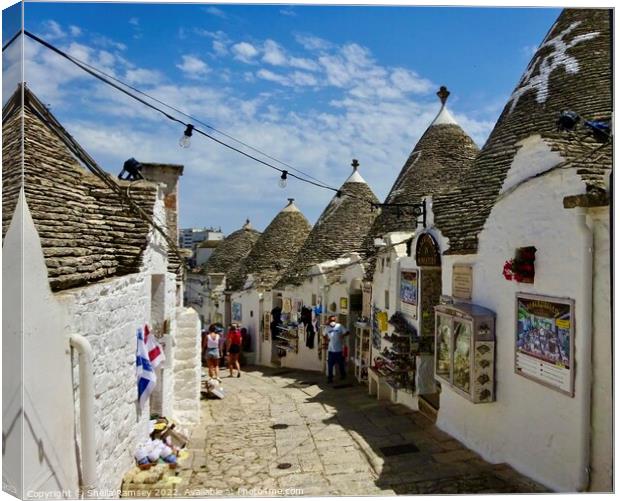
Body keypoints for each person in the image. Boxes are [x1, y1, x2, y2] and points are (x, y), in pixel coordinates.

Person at [323, 315, 349, 383]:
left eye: (333, 320)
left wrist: (342, 336)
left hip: (339, 350)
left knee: (341, 364)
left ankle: (343, 375)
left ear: (335, 320)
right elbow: (323, 335)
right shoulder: (327, 328)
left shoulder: (339, 326)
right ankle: (330, 378)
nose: (332, 322)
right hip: (331, 350)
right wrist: (326, 339)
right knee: (330, 365)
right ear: (329, 321)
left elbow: (347, 332)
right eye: (331, 320)